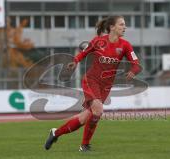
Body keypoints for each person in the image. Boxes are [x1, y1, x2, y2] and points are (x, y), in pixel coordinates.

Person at [44, 15, 141, 152]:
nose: (124, 27)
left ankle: (55, 133)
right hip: (91, 80)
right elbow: (84, 53)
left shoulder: (125, 45)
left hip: (105, 86)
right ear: (112, 27)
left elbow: (136, 64)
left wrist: (133, 72)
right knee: (98, 110)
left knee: (85, 118)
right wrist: (75, 61)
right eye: (121, 24)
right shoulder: (98, 41)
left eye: (124, 24)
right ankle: (84, 146)